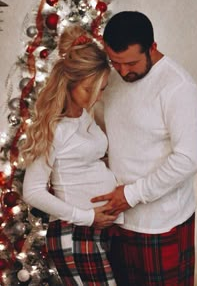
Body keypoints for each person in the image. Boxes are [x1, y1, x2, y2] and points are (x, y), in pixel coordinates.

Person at [91, 11, 197, 286]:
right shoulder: (114, 77)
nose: (123, 71)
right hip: (118, 220)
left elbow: (188, 160)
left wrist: (131, 195)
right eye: (115, 62)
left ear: (152, 47)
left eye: (131, 63)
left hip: (160, 223)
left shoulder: (178, 87)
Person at [22, 24, 123, 286]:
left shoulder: (84, 116)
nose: (96, 97)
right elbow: (32, 192)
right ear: (69, 83)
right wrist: (88, 217)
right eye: (89, 90)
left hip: (94, 231)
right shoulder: (54, 127)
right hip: (75, 232)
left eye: (101, 89)